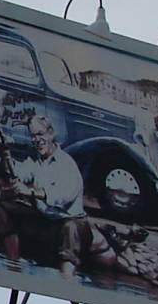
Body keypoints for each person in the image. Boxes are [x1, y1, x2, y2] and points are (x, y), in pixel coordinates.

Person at [7, 115, 120, 278]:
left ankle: (66, 280)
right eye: (32, 136)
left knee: (70, 228)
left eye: (40, 134)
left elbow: (61, 196)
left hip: (72, 223)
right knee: (6, 207)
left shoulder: (66, 164)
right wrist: (5, 153)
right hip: (47, 221)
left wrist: (29, 191)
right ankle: (13, 265)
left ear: (51, 134)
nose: (36, 140)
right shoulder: (36, 160)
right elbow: (18, 174)